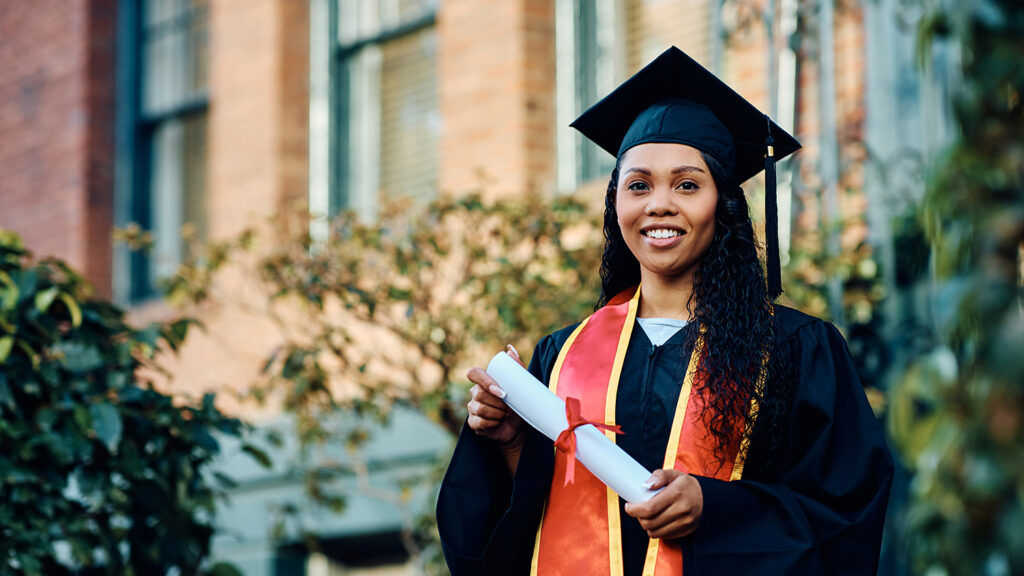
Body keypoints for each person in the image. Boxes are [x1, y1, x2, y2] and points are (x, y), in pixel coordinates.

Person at [436, 47, 893, 576]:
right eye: (638, 185)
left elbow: (846, 517)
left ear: (723, 204)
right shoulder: (561, 356)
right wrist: (510, 443)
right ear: (616, 205)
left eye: (687, 184)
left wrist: (715, 508)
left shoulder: (794, 349)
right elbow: (517, 533)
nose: (659, 204)